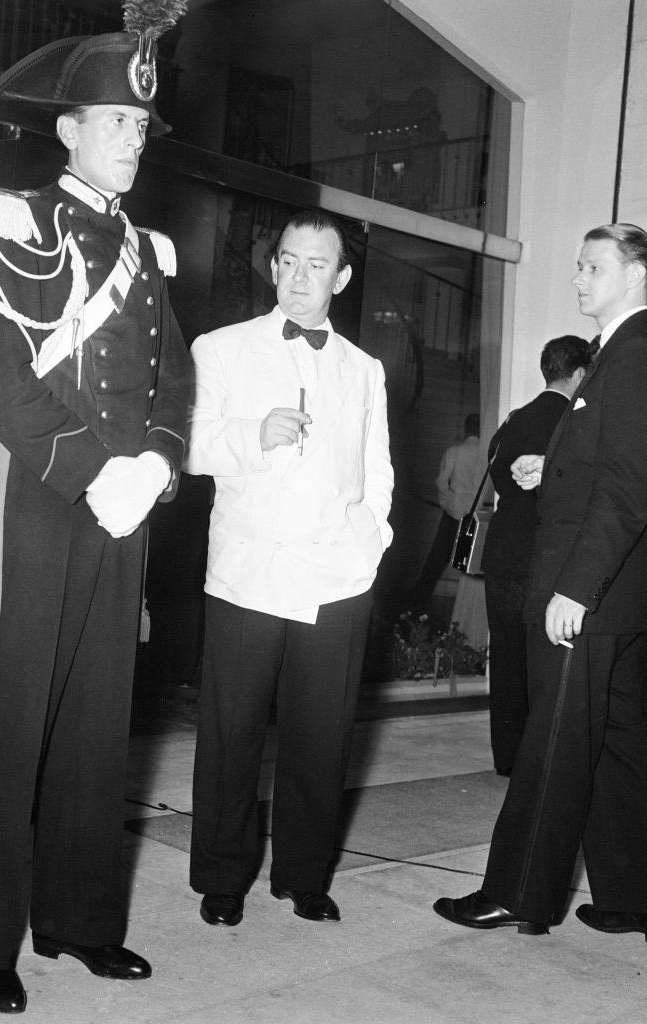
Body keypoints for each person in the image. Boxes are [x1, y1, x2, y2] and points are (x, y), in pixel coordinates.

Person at [0, 7, 192, 1015]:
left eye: (140, 127)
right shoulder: (12, 219)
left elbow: (174, 385)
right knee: (13, 721)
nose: (131, 141)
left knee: (100, 724)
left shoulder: (150, 253)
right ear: (68, 131)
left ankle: (80, 918)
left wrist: (159, 468)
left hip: (120, 511)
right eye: (115, 123)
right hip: (32, 494)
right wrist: (95, 466)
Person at [435, 223, 647, 947]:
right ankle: (646, 901)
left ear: (635, 274)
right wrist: (555, 468)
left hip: (589, 592)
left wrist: (574, 590)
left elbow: (629, 487)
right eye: (576, 265)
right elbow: (613, 464)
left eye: (592, 266)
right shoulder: (626, 353)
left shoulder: (634, 355)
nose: (577, 278)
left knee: (551, 744)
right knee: (621, 744)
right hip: (617, 591)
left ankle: (518, 894)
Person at [185, 210, 393, 928]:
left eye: (315, 265)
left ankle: (303, 876)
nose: (298, 277)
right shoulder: (219, 348)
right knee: (230, 732)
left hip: (336, 577)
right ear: (271, 267)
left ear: (340, 277)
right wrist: (252, 434)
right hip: (247, 571)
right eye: (287, 261)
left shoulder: (363, 370)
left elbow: (377, 472)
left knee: (321, 735)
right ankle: (221, 876)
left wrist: (369, 543)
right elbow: (186, 445)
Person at [482, 336, 591, 776]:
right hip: (544, 560)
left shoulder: (513, 419)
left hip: (502, 555)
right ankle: (539, 764)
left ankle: (507, 758)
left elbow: (495, 478)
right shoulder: (575, 423)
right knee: (544, 663)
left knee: (506, 660)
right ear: (582, 374)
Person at [406, 413, 480, 612]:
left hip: (454, 512)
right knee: (468, 563)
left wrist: (446, 502)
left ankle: (417, 602)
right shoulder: (484, 454)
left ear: (466, 429)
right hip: (474, 516)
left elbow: (441, 481)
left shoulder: (455, 451)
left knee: (437, 559)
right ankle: (464, 609)